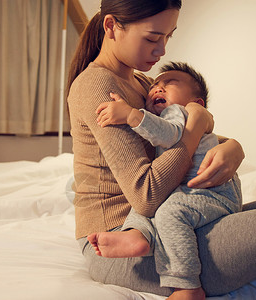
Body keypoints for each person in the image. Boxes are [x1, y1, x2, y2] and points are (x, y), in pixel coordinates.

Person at [66, 1, 256, 300]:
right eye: (152, 38)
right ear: (111, 27)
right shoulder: (97, 85)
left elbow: (188, 133)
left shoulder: (144, 82)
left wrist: (233, 147)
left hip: (171, 218)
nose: (161, 50)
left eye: (168, 36)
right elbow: (145, 196)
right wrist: (198, 124)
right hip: (128, 240)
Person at [88, 62, 242, 299]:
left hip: (215, 194)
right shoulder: (168, 117)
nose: (158, 88)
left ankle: (187, 287)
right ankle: (138, 234)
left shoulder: (181, 112)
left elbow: (170, 135)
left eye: (169, 83)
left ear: (196, 102)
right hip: (189, 192)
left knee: (170, 212)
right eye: (155, 85)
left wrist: (131, 114)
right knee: (151, 199)